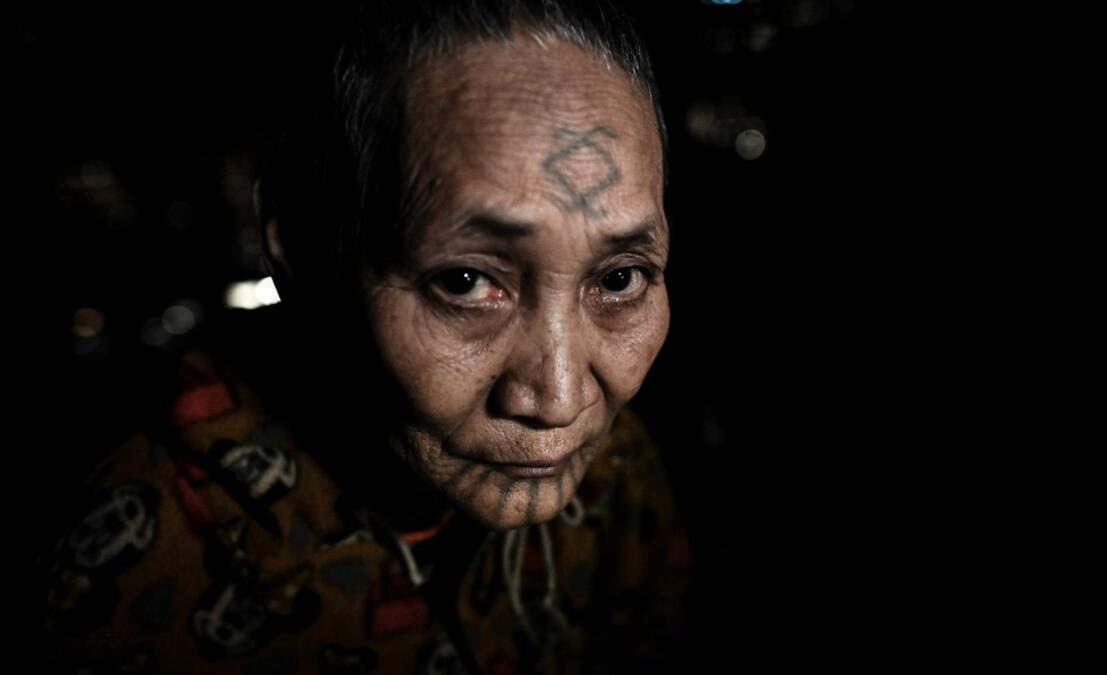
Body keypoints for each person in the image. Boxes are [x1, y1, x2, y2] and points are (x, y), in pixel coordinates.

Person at [31, 1, 696, 673]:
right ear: (301, 252)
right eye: (465, 280)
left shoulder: (616, 477)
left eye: (619, 279)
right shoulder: (124, 572)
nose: (558, 400)